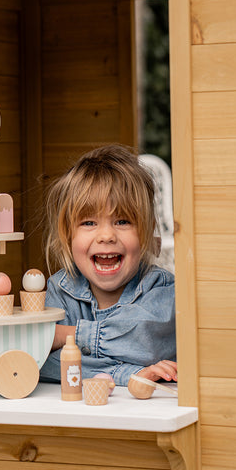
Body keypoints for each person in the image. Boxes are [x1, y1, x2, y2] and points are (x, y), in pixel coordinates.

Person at [39, 143, 176, 387]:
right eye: (89, 223)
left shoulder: (161, 287)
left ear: (145, 232)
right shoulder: (61, 288)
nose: (106, 236)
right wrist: (129, 373)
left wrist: (66, 335)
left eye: (122, 221)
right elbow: (45, 363)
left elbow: (144, 343)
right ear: (67, 235)